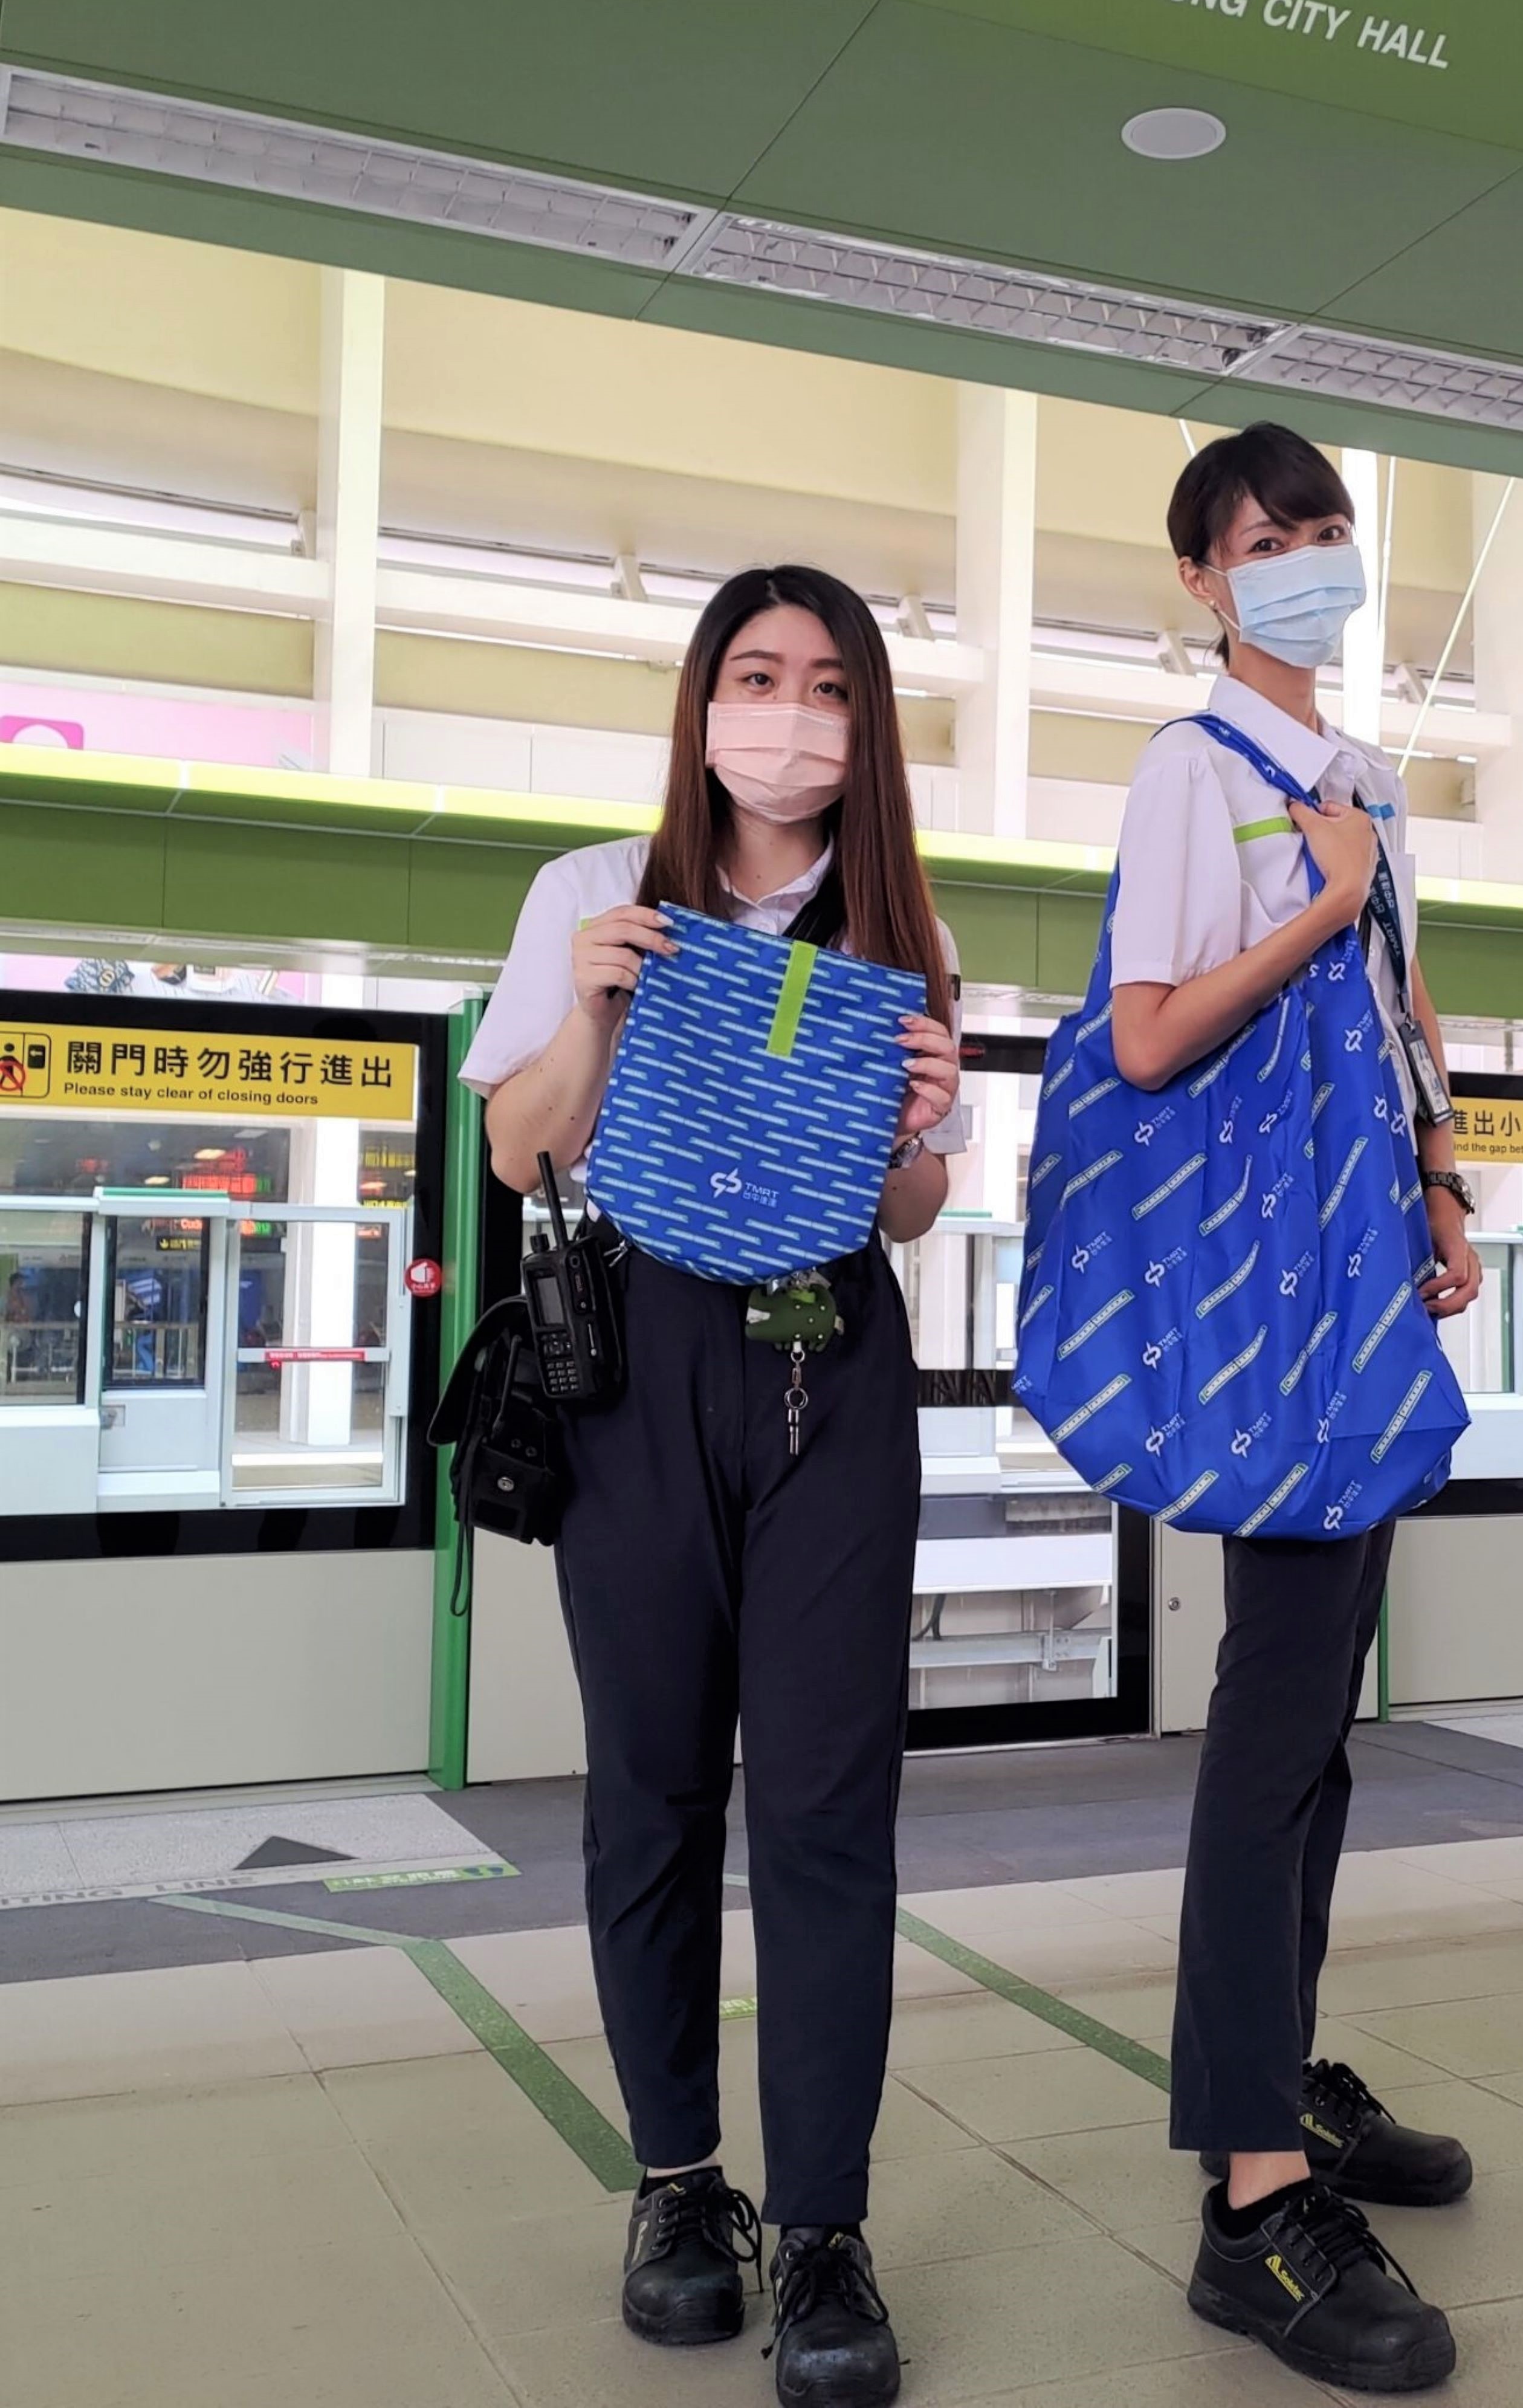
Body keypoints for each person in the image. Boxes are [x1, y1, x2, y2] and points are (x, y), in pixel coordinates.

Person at [462, 565, 965, 2408]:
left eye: (828, 684)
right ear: (701, 702)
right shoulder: (595, 890)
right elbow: (519, 1148)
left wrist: (919, 1124)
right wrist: (593, 1014)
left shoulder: (899, 924)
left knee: (830, 1805)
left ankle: (822, 2222)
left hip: (835, 1360)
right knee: (653, 1791)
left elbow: (909, 1206)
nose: (790, 714)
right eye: (757, 675)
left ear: (866, 724)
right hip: (641, 1355)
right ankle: (680, 2185)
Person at [1109, 424, 1483, 2393]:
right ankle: (1250, 2195)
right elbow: (1147, 1034)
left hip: (1366, 1281)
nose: (1308, 559)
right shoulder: (1196, 772)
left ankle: (1290, 2079)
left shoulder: (1367, 784)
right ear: (1205, 576)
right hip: (1274, 1310)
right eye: (1270, 537)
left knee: (1321, 1728)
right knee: (1271, 1733)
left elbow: (1411, 1009)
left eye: (1327, 528)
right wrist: (1319, 907)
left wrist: (1447, 1181)